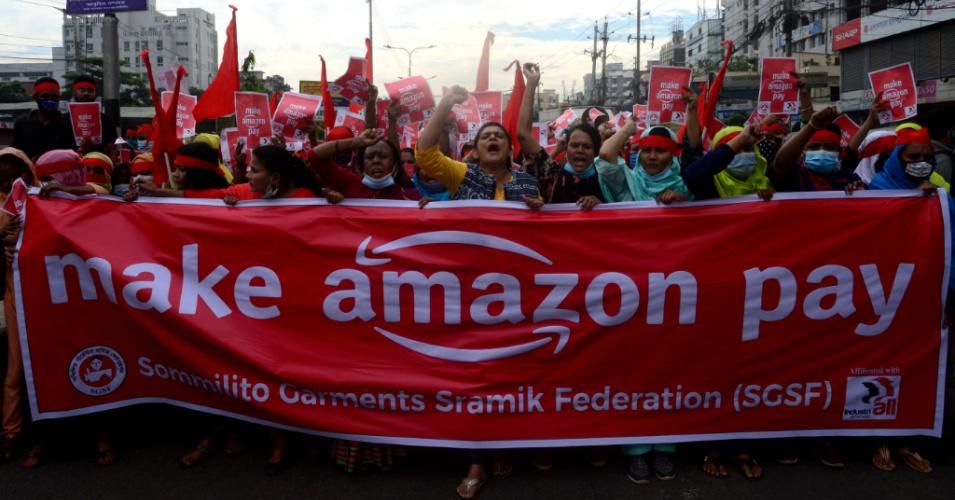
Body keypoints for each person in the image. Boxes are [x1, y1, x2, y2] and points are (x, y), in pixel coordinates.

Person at [415, 85, 541, 499]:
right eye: (486, 136)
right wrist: (444, 106)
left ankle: (501, 446)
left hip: (515, 299)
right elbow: (425, 155)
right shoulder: (461, 175)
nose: (493, 140)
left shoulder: (527, 182)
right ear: (475, 147)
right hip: (468, 295)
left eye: (499, 137)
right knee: (473, 377)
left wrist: (543, 214)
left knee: (508, 376)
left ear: (509, 148)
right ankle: (475, 460)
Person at [518, 63, 603, 210]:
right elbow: (523, 135)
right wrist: (531, 83)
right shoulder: (552, 172)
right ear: (566, 148)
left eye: (587, 146)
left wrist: (600, 204)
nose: (580, 150)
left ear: (596, 150)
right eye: (575, 145)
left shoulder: (607, 178)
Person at [0, 148, 39, 465]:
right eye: (4, 174)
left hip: (48, 293)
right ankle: (11, 433)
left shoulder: (46, 200)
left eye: (17, 173)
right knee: (16, 369)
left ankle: (43, 437)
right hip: (15, 294)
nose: (12, 180)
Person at [597, 121, 692, 205]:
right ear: (639, 155)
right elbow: (606, 155)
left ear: (672, 157)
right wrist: (626, 130)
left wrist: (682, 203)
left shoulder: (684, 187)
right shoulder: (628, 182)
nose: (652, 157)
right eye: (646, 150)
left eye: (660, 151)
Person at [311, 128, 415, 202]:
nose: (376, 161)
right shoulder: (348, 184)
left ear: (395, 164)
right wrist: (356, 142)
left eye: (383, 156)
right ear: (362, 165)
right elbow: (314, 156)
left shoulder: (408, 196)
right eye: (370, 157)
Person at [682, 125, 774, 200]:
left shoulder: (767, 180)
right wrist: (742, 138)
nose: (743, 154)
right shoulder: (708, 183)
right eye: (735, 150)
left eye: (747, 148)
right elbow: (689, 177)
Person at [12, 78, 76, 160]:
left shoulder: (68, 123)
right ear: (35, 98)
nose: (50, 100)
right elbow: (17, 153)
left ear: (59, 98)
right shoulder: (22, 123)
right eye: (45, 96)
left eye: (54, 97)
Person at [69, 75, 118, 159]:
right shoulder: (64, 120)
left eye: (90, 90)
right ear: (74, 92)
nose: (86, 93)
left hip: (98, 166)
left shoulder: (106, 120)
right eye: (82, 90)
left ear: (95, 93)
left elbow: (113, 148)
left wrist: (110, 167)